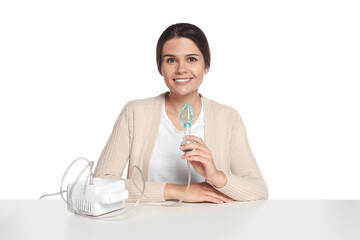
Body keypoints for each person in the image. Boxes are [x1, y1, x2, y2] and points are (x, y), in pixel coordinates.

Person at [94, 23, 268, 203]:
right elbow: (101, 183)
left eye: (191, 59)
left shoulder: (227, 118)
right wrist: (177, 191)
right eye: (171, 60)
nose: (181, 69)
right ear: (160, 67)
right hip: (146, 227)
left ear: (206, 66)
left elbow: (259, 190)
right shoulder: (135, 113)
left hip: (212, 228)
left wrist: (216, 177)